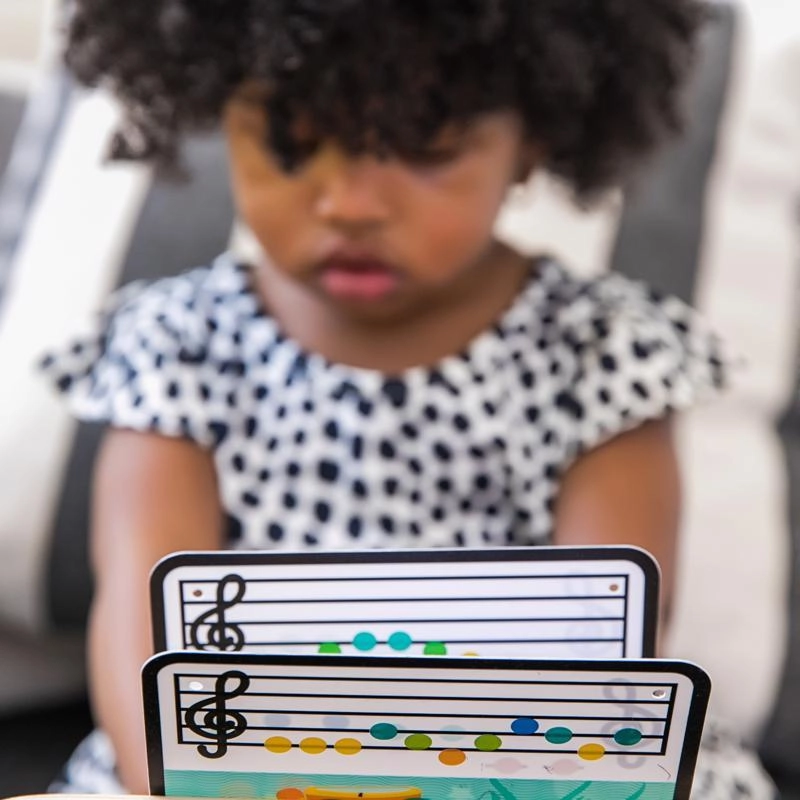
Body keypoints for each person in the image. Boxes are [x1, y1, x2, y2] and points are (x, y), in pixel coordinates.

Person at [41, 1, 775, 798]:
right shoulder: (178, 341)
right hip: (229, 769)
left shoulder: (602, 353)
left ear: (530, 142)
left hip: (524, 768)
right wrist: (197, 784)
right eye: (292, 143)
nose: (351, 204)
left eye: (425, 148)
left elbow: (609, 652)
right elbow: (142, 636)